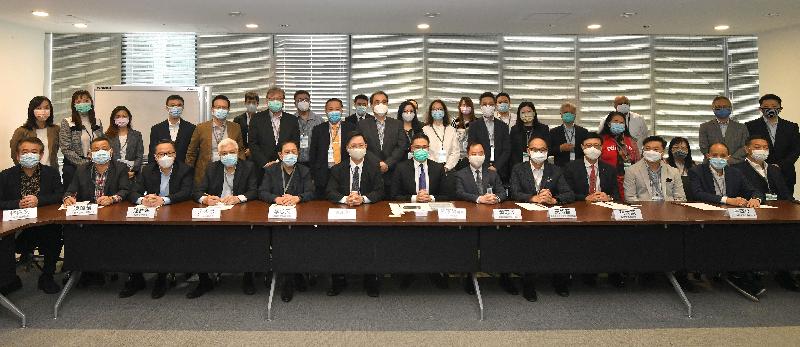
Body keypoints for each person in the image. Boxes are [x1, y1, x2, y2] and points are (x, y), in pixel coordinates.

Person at [689, 142, 766, 300]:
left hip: (732, 217)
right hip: (707, 218)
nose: (718, 158)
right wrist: (727, 199)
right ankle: (736, 273)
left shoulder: (735, 173)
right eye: (714, 155)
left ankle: (741, 272)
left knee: (747, 237)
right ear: (707, 156)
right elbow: (697, 193)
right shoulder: (697, 171)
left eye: (722, 156)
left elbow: (754, 190)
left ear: (728, 157)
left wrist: (756, 199)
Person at [121, 139, 194, 299]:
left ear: (175, 155)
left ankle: (162, 278)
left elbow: (187, 192)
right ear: (155, 157)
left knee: (163, 239)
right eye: (161, 154)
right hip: (149, 214)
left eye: (169, 153)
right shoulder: (147, 170)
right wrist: (143, 200)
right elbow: (133, 192)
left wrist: (164, 200)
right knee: (132, 237)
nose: (165, 156)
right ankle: (136, 277)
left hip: (175, 214)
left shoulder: (185, 169)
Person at [190, 138, 258, 299]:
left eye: (232, 152)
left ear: (238, 153)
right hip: (216, 212)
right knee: (199, 238)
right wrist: (205, 200)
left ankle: (248, 277)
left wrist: (238, 198)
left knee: (248, 239)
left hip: (240, 212)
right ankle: (204, 280)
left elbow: (254, 191)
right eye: (224, 153)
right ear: (219, 155)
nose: (228, 156)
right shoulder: (212, 167)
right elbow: (197, 192)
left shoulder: (248, 167)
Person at [510, 136, 575, 301]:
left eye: (543, 150)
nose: (539, 153)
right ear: (528, 151)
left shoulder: (556, 170)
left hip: (550, 219)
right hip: (527, 219)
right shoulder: (519, 169)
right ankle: (528, 283)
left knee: (559, 242)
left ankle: (559, 280)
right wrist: (534, 198)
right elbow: (514, 193)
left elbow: (568, 193)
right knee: (529, 244)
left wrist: (554, 200)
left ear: (547, 152)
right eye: (535, 149)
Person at [733, 135, 799, 291]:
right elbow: (738, 194)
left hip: (779, 213)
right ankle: (750, 272)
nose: (762, 150)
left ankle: (786, 271)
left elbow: (785, 194)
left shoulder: (774, 169)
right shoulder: (737, 169)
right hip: (754, 214)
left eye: (765, 147)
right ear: (746, 149)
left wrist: (794, 205)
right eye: (757, 147)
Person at [63, 136, 131, 288]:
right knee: (73, 232)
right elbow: (70, 190)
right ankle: (83, 270)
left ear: (111, 151)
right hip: (89, 216)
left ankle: (103, 268)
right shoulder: (82, 169)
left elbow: (125, 190)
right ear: (90, 154)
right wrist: (68, 198)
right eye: (96, 150)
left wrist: (112, 198)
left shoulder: (120, 168)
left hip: (112, 215)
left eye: (104, 149)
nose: (100, 152)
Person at [0, 137, 64, 294]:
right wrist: (17, 203)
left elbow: (60, 195)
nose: (29, 155)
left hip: (43, 223)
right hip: (15, 226)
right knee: (4, 242)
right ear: (17, 155)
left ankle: (47, 276)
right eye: (25, 152)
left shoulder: (51, 173)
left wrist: (39, 200)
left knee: (54, 235)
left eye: (34, 152)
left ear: (41, 155)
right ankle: (9, 279)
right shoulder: (5, 176)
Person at [325, 131, 384, 297]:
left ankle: (370, 279)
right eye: (353, 146)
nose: (357, 148)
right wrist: (346, 199)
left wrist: (363, 199)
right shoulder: (338, 169)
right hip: (344, 213)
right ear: (347, 149)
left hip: (367, 213)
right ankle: (338, 279)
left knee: (370, 244)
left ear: (366, 147)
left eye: (360, 145)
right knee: (338, 244)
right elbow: (329, 191)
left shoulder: (374, 168)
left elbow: (380, 191)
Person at [259, 140, 315, 302]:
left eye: (294, 152)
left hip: (299, 217)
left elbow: (311, 192)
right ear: (280, 155)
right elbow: (262, 192)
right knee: (282, 240)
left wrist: (298, 198)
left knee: (296, 240)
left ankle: (295, 273)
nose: (291, 155)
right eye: (287, 152)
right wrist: (276, 198)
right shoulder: (271, 170)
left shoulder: (304, 170)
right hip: (277, 216)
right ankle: (288, 280)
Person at [745, 94, 800, 194]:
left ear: (780, 108)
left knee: (786, 204)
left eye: (774, 107)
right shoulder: (750, 126)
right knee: (760, 202)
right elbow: (748, 148)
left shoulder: (791, 127)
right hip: (758, 172)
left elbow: (796, 150)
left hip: (785, 173)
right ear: (760, 109)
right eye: (766, 107)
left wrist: (779, 165)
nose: (770, 109)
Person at [185, 94, 245, 184]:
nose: (221, 110)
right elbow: (191, 153)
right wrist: (187, 174)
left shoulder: (236, 127)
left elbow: (240, 150)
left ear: (228, 110)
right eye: (218, 107)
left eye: (224, 108)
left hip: (229, 171)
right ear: (212, 109)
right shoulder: (201, 128)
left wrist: (241, 170)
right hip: (205, 173)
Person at [357, 91, 408, 193]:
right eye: (377, 102)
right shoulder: (362, 124)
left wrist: (387, 164)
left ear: (387, 104)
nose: (381, 105)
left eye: (384, 102)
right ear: (371, 105)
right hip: (370, 173)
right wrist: (377, 163)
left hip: (393, 173)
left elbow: (402, 146)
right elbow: (361, 146)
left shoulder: (397, 124)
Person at [309, 98, 357, 197]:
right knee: (322, 205)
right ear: (326, 111)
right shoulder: (318, 129)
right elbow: (313, 154)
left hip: (345, 172)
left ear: (342, 111)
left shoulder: (351, 128)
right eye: (330, 109)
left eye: (337, 109)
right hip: (323, 173)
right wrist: (313, 175)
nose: (334, 112)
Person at [59, 90, 104, 191]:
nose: (82, 103)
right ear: (74, 105)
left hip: (95, 166)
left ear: (91, 103)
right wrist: (84, 163)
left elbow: (102, 143)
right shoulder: (67, 122)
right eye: (79, 102)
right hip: (73, 168)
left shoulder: (97, 122)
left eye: (86, 100)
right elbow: (65, 148)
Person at [248, 87, 301, 170]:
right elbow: (252, 144)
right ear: (267, 101)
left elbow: (295, 142)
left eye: (279, 98)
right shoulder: (256, 119)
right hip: (261, 167)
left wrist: (282, 161)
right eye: (272, 99)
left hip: (286, 165)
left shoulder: (292, 120)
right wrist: (265, 163)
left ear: (283, 101)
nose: (275, 101)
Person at [623, 136, 686, 202]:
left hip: (668, 208)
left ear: (663, 152)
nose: (651, 152)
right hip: (644, 208)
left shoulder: (674, 171)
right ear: (643, 150)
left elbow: (680, 197)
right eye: (647, 148)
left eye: (656, 149)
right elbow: (630, 198)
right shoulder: (631, 171)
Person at [468, 92, 511, 183]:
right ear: (480, 106)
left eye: (491, 104)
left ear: (495, 105)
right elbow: (471, 148)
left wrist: (496, 167)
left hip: (500, 170)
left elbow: (507, 149)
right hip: (480, 168)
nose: (488, 106)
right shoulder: (474, 125)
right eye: (484, 104)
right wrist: (482, 166)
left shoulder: (503, 126)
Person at [564, 132, 619, 202]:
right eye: (588, 145)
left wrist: (609, 197)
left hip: (604, 207)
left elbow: (616, 194)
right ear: (582, 147)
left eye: (596, 145)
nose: (592, 149)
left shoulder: (610, 169)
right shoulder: (570, 168)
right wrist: (585, 198)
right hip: (581, 207)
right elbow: (567, 193)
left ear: (601, 147)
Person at [599, 111, 640, 198]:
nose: (618, 124)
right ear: (608, 123)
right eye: (615, 121)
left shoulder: (630, 140)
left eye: (622, 123)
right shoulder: (601, 140)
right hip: (607, 181)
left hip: (628, 182)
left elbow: (637, 160)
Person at [10, 96, 60, 168]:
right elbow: (14, 154)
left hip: (51, 172)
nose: (43, 111)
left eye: (46, 108)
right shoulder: (21, 131)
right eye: (39, 108)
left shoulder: (56, 129)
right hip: (29, 172)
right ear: (32, 110)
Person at [698, 96, 749, 164]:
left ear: (730, 108)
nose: (722, 109)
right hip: (711, 165)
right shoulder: (704, 127)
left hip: (736, 165)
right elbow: (704, 148)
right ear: (713, 109)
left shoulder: (741, 127)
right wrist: (718, 160)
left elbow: (744, 147)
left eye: (725, 106)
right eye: (718, 107)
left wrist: (728, 160)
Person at [149, 94, 196, 165]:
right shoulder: (156, 129)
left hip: (184, 170)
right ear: (167, 108)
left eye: (179, 105)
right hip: (162, 169)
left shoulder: (191, 128)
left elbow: (193, 153)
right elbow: (152, 153)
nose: (176, 108)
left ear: (183, 108)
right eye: (172, 105)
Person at [106, 106, 144, 179]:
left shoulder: (137, 135)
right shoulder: (107, 136)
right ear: (113, 119)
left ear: (129, 118)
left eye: (124, 116)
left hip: (132, 174)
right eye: (118, 116)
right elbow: (107, 157)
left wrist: (133, 170)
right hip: (113, 175)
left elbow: (139, 156)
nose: (121, 118)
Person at [422, 99, 459, 171]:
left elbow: (455, 152)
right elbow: (424, 150)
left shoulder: (451, 130)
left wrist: (447, 167)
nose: (437, 111)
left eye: (440, 109)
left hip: (449, 169)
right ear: (430, 112)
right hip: (430, 168)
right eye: (434, 109)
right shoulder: (425, 130)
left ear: (444, 111)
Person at [510, 101, 550, 167]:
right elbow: (512, 151)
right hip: (519, 165)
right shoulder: (514, 129)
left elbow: (548, 148)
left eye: (529, 111)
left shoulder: (543, 128)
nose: (526, 114)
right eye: (523, 112)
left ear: (534, 113)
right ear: (519, 115)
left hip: (539, 164)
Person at [293, 90, 325, 167]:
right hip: (295, 162)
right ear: (295, 103)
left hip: (315, 162)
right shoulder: (291, 120)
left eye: (306, 99)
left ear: (309, 102)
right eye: (300, 100)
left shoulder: (319, 120)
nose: (303, 102)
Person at [451, 97, 476, 171]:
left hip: (471, 157)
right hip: (457, 157)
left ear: (471, 107)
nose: (465, 107)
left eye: (468, 105)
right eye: (463, 105)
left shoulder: (477, 122)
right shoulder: (455, 122)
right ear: (459, 107)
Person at [232, 91, 259, 158]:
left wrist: (252, 150)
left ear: (257, 104)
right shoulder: (237, 120)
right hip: (241, 155)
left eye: (253, 102)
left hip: (258, 155)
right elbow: (235, 138)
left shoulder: (263, 119)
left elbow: (265, 139)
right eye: (249, 102)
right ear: (245, 103)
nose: (251, 104)